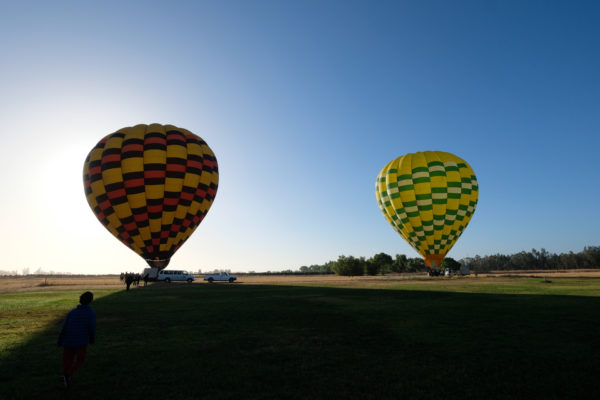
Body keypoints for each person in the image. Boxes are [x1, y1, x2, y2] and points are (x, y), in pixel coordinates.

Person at [57, 291, 96, 389]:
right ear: (90, 301)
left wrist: (60, 339)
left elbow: (64, 327)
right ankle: (67, 375)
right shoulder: (90, 313)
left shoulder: (72, 312)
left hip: (67, 340)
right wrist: (92, 339)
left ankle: (64, 376)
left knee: (67, 360)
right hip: (81, 341)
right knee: (80, 359)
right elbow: (91, 328)